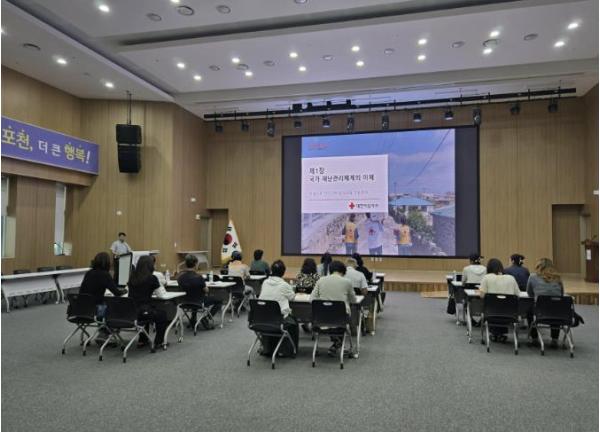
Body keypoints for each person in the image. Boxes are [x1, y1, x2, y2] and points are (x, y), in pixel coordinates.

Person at [310, 260, 357, 356]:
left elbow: (312, 299)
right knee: (339, 317)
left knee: (331, 317)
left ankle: (336, 343)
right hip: (341, 319)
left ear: (330, 270)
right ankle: (338, 343)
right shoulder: (347, 282)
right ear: (343, 271)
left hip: (321, 318)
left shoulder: (321, 280)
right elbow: (354, 300)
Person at [258, 260, 299, 355]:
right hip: (278, 321)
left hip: (261, 319)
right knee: (293, 322)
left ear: (271, 270)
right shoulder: (284, 285)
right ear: (283, 272)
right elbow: (292, 297)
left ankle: (267, 347)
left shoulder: (265, 282)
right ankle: (287, 350)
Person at [128, 255, 168, 348]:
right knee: (162, 315)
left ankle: (142, 340)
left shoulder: (132, 277)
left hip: (132, 311)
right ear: (151, 265)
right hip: (144, 311)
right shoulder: (152, 278)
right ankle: (159, 342)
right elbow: (160, 295)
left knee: (145, 311)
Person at [479, 258, 520, 342]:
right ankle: (501, 334)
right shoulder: (511, 278)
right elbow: (518, 294)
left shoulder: (486, 278)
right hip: (509, 313)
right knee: (502, 307)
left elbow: (482, 296)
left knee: (492, 305)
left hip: (491, 313)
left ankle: (495, 334)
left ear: (489, 268)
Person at [526, 258, 564, 347]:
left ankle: (534, 338)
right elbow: (561, 295)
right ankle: (554, 339)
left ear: (538, 266)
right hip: (557, 311)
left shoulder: (532, 277)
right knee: (556, 308)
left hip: (540, 310)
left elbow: (530, 293)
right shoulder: (558, 278)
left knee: (529, 312)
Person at [177, 254, 222, 329]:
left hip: (184, 301)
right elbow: (206, 290)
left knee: (193, 295)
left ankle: (193, 319)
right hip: (199, 302)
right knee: (219, 301)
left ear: (186, 264)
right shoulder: (198, 277)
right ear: (195, 264)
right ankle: (206, 318)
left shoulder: (180, 277)